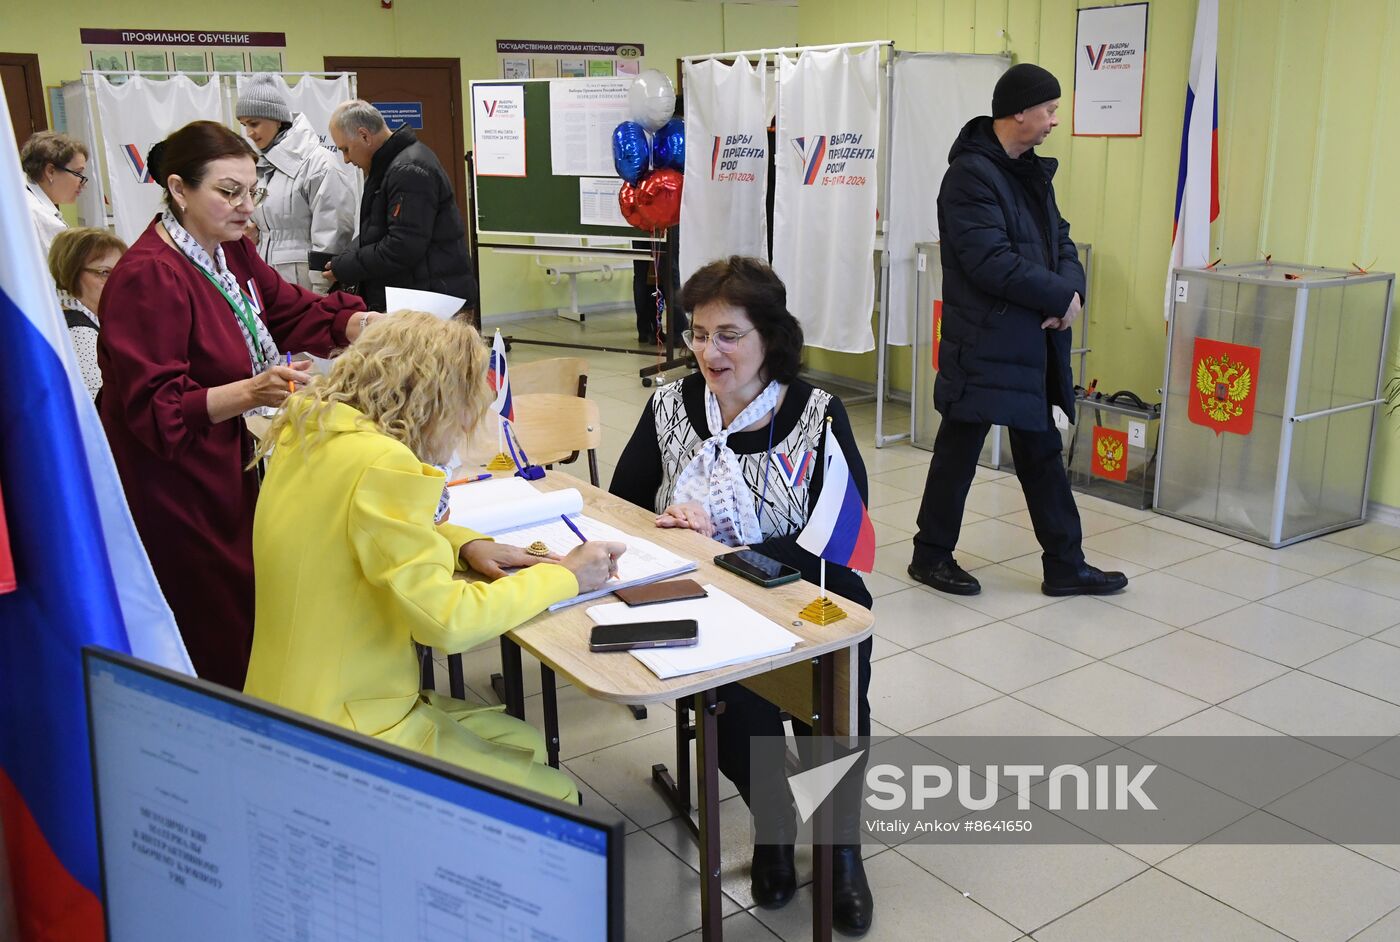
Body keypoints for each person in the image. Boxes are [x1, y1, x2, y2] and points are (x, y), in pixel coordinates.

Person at [244, 312, 623, 801]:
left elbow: (356, 527)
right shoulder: (385, 462)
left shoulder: (312, 428)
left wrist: (463, 542)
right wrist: (568, 576)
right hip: (347, 723)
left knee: (523, 739)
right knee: (557, 796)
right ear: (436, 401)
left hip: (288, 700)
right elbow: (446, 622)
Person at [611, 256, 875, 936]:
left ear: (770, 338)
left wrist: (727, 549)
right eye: (698, 333)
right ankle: (773, 825)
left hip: (811, 597)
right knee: (735, 729)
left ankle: (840, 849)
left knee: (831, 722)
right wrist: (668, 527)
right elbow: (622, 511)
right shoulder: (669, 405)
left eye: (729, 334)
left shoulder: (817, 415)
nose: (709, 351)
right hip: (712, 605)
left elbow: (838, 534)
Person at [97, 120, 380, 689]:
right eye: (229, 192)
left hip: (235, 461)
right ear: (178, 190)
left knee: (250, 603)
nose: (246, 207)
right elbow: (157, 409)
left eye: (253, 192)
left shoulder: (232, 252)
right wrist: (253, 390)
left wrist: (359, 323)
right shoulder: (151, 275)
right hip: (180, 482)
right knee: (213, 617)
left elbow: (288, 309)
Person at [907, 63, 1128, 599]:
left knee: (1040, 450)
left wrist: (1071, 292)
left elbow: (1062, 241)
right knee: (960, 450)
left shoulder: (1026, 170)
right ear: (1019, 112)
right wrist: (1057, 296)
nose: (1055, 120)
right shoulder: (969, 177)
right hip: (984, 340)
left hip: (1026, 341)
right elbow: (990, 262)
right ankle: (931, 556)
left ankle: (1065, 564)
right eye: (1049, 110)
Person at [325, 100, 479, 315]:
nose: (347, 159)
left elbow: (402, 246)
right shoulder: (390, 166)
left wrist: (347, 266)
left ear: (364, 136)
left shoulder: (408, 169)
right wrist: (345, 257)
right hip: (420, 297)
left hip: (431, 306)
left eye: (346, 149)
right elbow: (379, 232)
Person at [235, 74, 357, 292]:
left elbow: (334, 232)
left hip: (307, 288)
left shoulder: (318, 163)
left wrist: (321, 291)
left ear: (277, 119)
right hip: (268, 282)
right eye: (244, 125)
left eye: (254, 123)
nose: (249, 133)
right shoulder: (260, 165)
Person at [47, 227, 127, 400]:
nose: (116, 281)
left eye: (121, 272)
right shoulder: (80, 333)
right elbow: (95, 409)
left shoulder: (61, 317)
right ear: (72, 272)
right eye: (104, 272)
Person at [20, 131, 88, 256]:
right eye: (78, 173)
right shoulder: (41, 218)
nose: (84, 183)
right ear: (50, 171)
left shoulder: (22, 199)